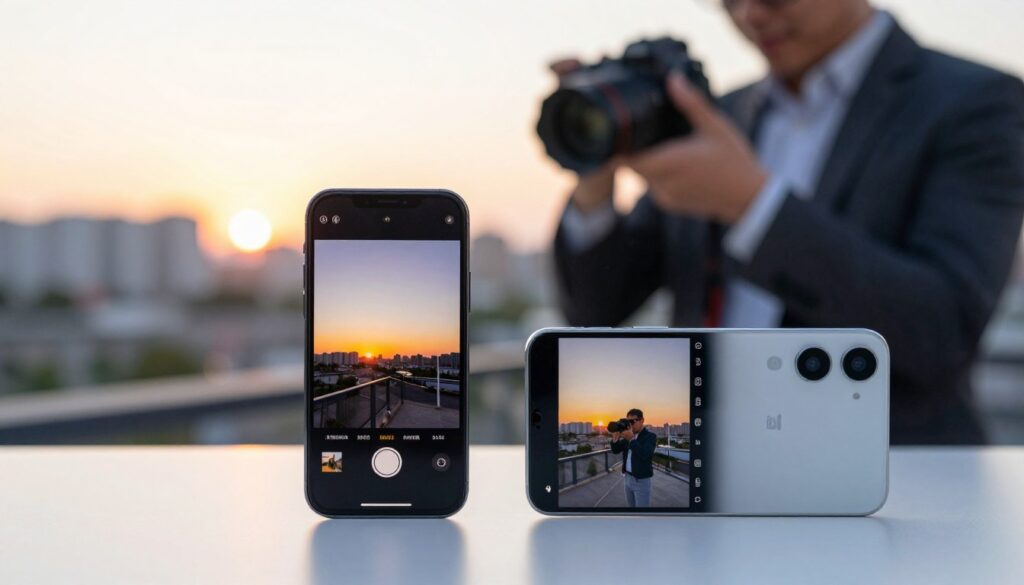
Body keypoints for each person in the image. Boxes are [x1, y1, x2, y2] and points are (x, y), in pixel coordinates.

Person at [554, 0, 1024, 444]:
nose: (751, 14)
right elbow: (597, 311)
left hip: (891, 482)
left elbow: (944, 331)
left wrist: (753, 206)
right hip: (709, 473)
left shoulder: (975, 102)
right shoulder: (718, 116)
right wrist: (595, 179)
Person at [609, 409, 658, 507]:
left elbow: (645, 454)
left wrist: (631, 439)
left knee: (641, 514)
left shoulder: (650, 436)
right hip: (627, 478)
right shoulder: (628, 436)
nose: (629, 425)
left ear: (642, 420)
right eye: (628, 422)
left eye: (632, 422)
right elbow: (616, 450)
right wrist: (615, 439)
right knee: (631, 509)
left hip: (641, 480)